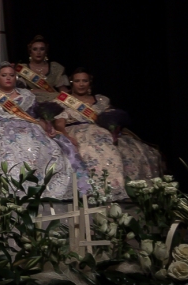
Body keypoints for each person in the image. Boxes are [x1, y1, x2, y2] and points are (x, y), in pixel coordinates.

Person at [0, 64, 84, 200]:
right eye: (4, 75)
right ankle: (13, 187)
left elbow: (36, 117)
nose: (8, 78)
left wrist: (48, 127)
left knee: (47, 147)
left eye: (11, 75)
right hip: (0, 128)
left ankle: (41, 188)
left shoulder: (27, 95)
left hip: (29, 128)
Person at [53, 68, 163, 197]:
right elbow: (60, 124)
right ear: (72, 82)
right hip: (77, 131)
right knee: (90, 151)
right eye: (77, 81)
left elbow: (111, 119)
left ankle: (119, 189)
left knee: (131, 152)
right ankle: (97, 192)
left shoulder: (101, 100)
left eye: (85, 81)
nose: (81, 84)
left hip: (102, 131)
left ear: (90, 82)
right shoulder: (63, 100)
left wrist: (114, 132)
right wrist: (67, 138)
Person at [15, 35, 68, 100]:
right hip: (30, 102)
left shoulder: (55, 68)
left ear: (46, 52)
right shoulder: (22, 68)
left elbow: (63, 91)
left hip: (53, 102)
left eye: (42, 49)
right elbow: (18, 91)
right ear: (30, 52)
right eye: (35, 49)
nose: (38, 52)